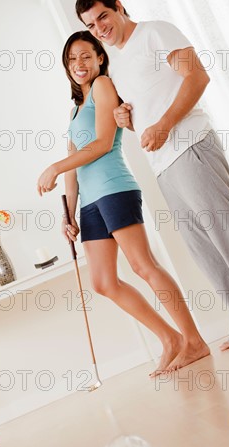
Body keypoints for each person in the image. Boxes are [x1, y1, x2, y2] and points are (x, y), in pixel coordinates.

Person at [75, 0, 229, 351]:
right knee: (203, 245)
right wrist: (126, 118)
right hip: (163, 162)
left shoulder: (154, 33)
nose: (99, 28)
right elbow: (149, 103)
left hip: (191, 145)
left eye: (102, 17)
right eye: (91, 25)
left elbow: (196, 77)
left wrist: (163, 124)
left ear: (118, 6)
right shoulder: (119, 61)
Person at [37, 31, 210, 376]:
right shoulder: (74, 110)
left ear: (100, 57)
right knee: (103, 282)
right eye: (72, 59)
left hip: (114, 189)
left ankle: (193, 340)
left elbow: (102, 144)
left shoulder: (103, 86)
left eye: (85, 56)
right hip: (90, 202)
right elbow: (75, 166)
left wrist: (55, 166)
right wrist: (68, 214)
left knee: (144, 266)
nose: (78, 64)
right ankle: (170, 339)